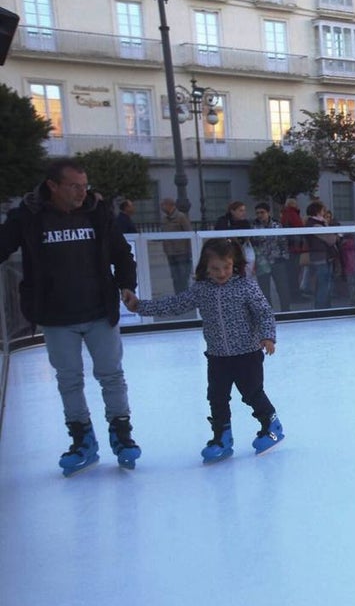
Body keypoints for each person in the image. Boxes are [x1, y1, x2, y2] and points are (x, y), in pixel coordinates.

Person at [0, 158, 142, 475]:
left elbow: (121, 253)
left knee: (111, 375)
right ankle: (82, 441)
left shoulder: (97, 212)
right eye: (74, 186)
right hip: (55, 315)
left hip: (98, 311)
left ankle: (122, 436)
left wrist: (127, 286)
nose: (81, 192)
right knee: (69, 380)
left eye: (84, 185)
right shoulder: (28, 216)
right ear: (53, 186)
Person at [124, 239, 285, 463]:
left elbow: (264, 313)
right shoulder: (201, 290)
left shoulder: (245, 286)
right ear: (205, 267)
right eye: (215, 268)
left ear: (234, 263)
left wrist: (268, 336)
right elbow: (174, 304)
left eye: (226, 267)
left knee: (252, 393)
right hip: (217, 356)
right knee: (217, 398)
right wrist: (140, 306)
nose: (221, 273)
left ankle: (272, 426)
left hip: (247, 353)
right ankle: (222, 437)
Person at [251, 202, 292, 310]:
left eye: (262, 212)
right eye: (257, 213)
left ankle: (286, 311)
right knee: (264, 290)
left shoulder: (277, 225)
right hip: (262, 262)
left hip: (277, 260)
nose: (260, 215)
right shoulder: (254, 226)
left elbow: (283, 241)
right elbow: (253, 244)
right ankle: (267, 312)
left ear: (268, 212)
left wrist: (284, 256)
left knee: (282, 287)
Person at [305, 200, 337, 309]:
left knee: (324, 282)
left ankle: (324, 306)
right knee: (323, 284)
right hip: (320, 258)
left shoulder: (317, 224)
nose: (324, 213)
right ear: (318, 211)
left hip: (322, 257)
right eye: (323, 210)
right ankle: (322, 308)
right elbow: (331, 239)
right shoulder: (315, 226)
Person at [160, 197, 193, 293]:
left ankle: (184, 297)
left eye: (163, 205)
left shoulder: (181, 217)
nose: (162, 208)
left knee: (183, 277)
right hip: (170, 252)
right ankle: (177, 296)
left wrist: (190, 251)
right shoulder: (164, 219)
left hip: (182, 252)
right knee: (175, 276)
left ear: (170, 205)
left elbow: (189, 232)